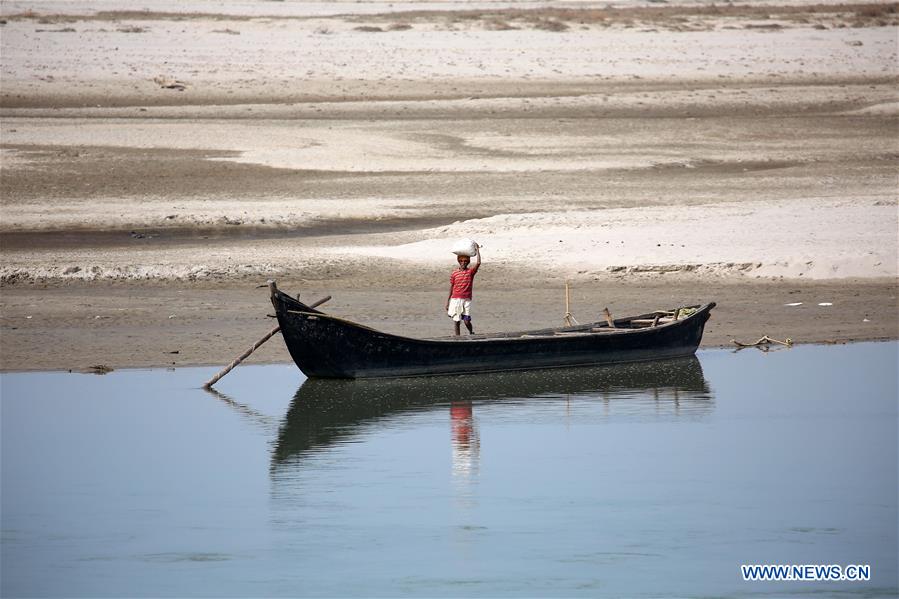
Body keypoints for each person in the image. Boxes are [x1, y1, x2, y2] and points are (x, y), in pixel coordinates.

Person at [445, 245, 481, 335]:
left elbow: (478, 263)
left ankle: (471, 332)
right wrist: (448, 301)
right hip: (455, 299)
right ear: (459, 262)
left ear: (468, 262)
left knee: (466, 321)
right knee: (456, 320)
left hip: (466, 300)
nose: (463, 263)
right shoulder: (454, 273)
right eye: (461, 261)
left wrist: (478, 250)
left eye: (465, 261)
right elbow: (452, 287)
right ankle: (458, 338)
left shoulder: (470, 272)